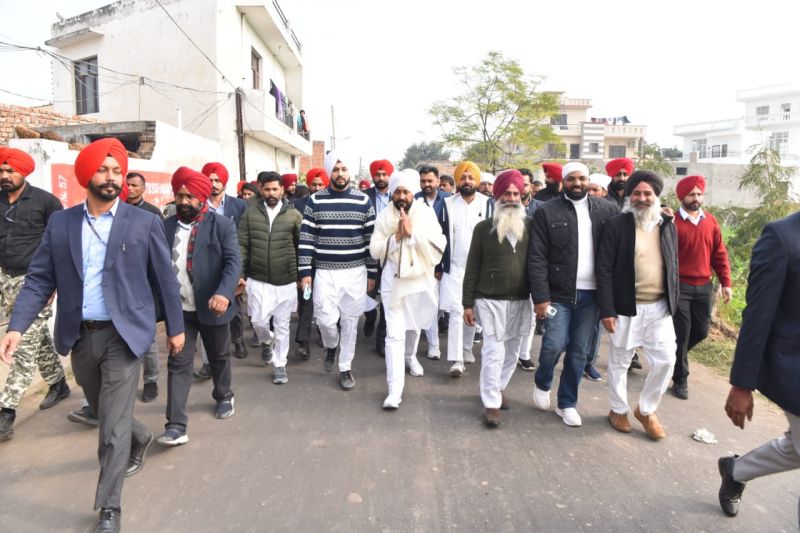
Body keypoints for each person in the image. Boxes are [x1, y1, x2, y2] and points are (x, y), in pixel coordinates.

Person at [0, 138, 185, 532]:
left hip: (125, 336)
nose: (112, 177)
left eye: (117, 170)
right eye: (103, 169)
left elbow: (164, 280)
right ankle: (140, 435)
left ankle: (109, 508)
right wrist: (16, 326)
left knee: (111, 428)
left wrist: (175, 329)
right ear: (86, 174)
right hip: (80, 336)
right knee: (104, 411)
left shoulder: (144, 222)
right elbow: (39, 279)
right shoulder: (62, 222)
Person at [717, 211, 800, 519]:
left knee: (796, 448)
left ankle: (735, 470)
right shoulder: (782, 237)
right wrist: (742, 383)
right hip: (793, 371)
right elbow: (757, 315)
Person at [528, 162, 617, 427]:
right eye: (571, 179)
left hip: (592, 296)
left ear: (589, 181)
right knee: (553, 344)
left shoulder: (607, 210)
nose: (577, 184)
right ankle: (543, 382)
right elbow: (536, 257)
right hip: (558, 295)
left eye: (582, 179)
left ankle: (567, 403)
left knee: (579, 352)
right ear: (563, 181)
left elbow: (622, 240)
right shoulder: (547, 212)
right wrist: (540, 297)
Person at [157, 167, 240, 447]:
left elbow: (233, 263)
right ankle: (176, 425)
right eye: (179, 195)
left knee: (218, 357)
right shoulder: (164, 227)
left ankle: (224, 395)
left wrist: (224, 293)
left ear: (202, 198)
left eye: (190, 196)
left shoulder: (222, 226)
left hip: (212, 306)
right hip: (180, 311)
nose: (183, 201)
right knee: (178, 363)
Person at [596, 170, 678, 440]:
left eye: (648, 194)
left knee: (666, 360)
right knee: (619, 362)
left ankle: (646, 409)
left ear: (656, 197)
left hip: (659, 307)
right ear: (629, 196)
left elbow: (673, 262)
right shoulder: (616, 225)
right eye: (637, 193)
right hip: (625, 307)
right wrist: (607, 309)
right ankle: (618, 409)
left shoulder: (666, 223)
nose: (642, 198)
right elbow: (604, 269)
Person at [0, 147, 69, 441]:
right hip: (4, 280)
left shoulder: (46, 202)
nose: (4, 176)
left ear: (24, 172)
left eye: (10, 171)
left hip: (36, 283)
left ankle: (6, 411)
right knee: (34, 335)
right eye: (1, 171)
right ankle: (58, 383)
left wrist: (55, 284)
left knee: (22, 346)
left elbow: (62, 243)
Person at [298, 151, 376, 390]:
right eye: (335, 169)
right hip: (324, 272)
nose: (340, 174)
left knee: (351, 322)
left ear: (349, 172)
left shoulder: (363, 201)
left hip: (356, 272)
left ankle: (345, 367)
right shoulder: (316, 200)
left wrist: (372, 273)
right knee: (325, 319)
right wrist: (304, 272)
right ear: (329, 172)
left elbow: (370, 239)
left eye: (343, 170)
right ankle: (331, 345)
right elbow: (307, 237)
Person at [370, 169, 445, 409]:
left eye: (406, 191)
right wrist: (396, 237)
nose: (402, 196)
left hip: (419, 281)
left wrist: (411, 235)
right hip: (392, 282)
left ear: (413, 193)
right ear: (392, 192)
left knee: (414, 329)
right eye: (398, 191)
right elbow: (374, 249)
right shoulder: (384, 216)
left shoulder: (425, 213)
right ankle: (394, 390)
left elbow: (438, 244)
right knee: (394, 335)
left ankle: (411, 356)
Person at [463, 170, 532, 427]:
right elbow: (472, 267)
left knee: (513, 351)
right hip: (488, 298)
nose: (511, 198)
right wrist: (467, 303)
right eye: (506, 193)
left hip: (521, 299)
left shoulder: (532, 226)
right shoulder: (483, 229)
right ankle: (491, 401)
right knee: (493, 349)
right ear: (497, 197)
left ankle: (498, 386)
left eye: (515, 193)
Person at [671, 175, 732, 400]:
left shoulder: (711, 222)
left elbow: (719, 253)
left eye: (699, 194)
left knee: (701, 331)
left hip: (704, 286)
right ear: (682, 197)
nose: (696, 198)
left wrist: (726, 282)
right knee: (682, 333)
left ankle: (672, 358)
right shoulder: (672, 222)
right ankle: (680, 379)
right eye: (691, 194)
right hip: (680, 287)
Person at [239, 171, 302, 384]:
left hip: (285, 279)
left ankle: (280, 364)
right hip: (257, 278)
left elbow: (301, 246)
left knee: (283, 324)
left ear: (282, 190)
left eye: (275, 189)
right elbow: (242, 245)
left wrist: (303, 275)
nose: (271, 193)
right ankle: (267, 341)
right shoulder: (250, 214)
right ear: (260, 189)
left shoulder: (293, 215)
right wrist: (240, 273)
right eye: (267, 189)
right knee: (258, 321)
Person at [439, 161, 494, 377]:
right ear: (457, 181)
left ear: (477, 181)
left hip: (481, 269)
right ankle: (456, 359)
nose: (467, 181)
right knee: (456, 312)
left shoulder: (489, 204)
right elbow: (441, 236)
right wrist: (440, 266)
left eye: (471, 178)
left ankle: (467, 348)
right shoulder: (448, 204)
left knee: (473, 313)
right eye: (463, 177)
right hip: (454, 268)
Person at [201, 162, 248, 360]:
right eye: (210, 180)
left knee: (234, 307)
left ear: (224, 183)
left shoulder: (238, 206)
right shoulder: (199, 204)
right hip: (204, 264)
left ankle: (238, 340)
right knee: (205, 306)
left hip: (231, 263)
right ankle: (210, 352)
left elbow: (245, 239)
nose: (213, 184)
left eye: (217, 180)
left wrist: (242, 272)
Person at [125, 171, 164, 403]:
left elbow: (160, 253)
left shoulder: (152, 214)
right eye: (127, 185)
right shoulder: (116, 211)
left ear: (143, 188)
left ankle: (151, 381)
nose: (129, 189)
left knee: (147, 338)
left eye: (134, 185)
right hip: (123, 285)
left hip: (146, 285)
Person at [413, 164, 451, 360]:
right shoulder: (414, 200)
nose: (426, 184)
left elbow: (449, 236)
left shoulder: (449, 201)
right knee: (430, 304)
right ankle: (433, 346)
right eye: (423, 181)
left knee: (442, 307)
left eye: (430, 181)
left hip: (446, 261)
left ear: (438, 181)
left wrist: (442, 265)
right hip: (422, 262)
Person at [292, 168, 328, 359]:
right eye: (313, 184)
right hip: (305, 263)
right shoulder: (297, 205)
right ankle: (303, 343)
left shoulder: (332, 204)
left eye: (320, 184)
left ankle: (325, 333)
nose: (316, 187)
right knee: (306, 301)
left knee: (325, 302)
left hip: (327, 264)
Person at [363, 159, 394, 356]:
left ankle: (381, 339)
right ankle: (369, 315)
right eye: (377, 174)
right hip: (369, 250)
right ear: (372, 176)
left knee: (387, 297)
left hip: (391, 252)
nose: (381, 178)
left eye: (384, 174)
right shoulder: (364, 197)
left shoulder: (399, 196)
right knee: (367, 290)